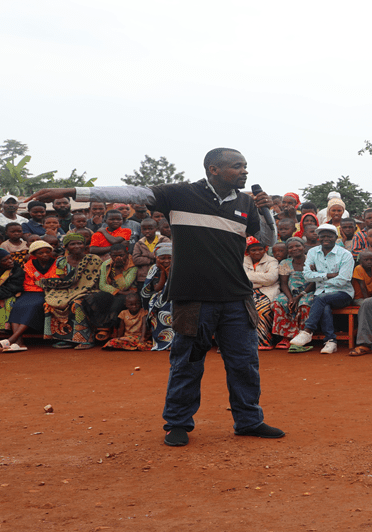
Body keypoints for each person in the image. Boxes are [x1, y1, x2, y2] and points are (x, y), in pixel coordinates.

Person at [29, 147, 284, 446]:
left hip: (236, 297)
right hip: (193, 296)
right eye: (237, 166)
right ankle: (177, 424)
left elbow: (268, 240)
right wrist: (73, 191)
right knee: (187, 362)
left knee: (244, 363)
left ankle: (249, 421)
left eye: (245, 166)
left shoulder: (245, 203)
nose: (244, 171)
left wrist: (268, 212)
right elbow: (132, 193)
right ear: (214, 169)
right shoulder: (181, 194)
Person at [288, 224, 355, 354]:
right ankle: (331, 341)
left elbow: (343, 280)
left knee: (322, 299)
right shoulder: (313, 252)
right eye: (322, 236)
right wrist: (328, 275)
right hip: (321, 293)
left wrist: (317, 276)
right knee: (324, 303)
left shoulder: (345, 255)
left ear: (336, 237)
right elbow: (307, 276)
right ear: (318, 237)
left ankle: (307, 331)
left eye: (329, 236)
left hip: (343, 293)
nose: (326, 238)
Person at [38, 233, 103, 349]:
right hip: (67, 290)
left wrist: (77, 289)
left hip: (89, 289)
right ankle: (64, 338)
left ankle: (85, 339)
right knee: (50, 304)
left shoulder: (94, 259)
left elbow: (95, 280)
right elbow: (62, 279)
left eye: (80, 243)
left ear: (84, 246)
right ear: (66, 247)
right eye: (72, 244)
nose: (77, 246)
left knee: (76, 304)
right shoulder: (61, 261)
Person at [2, 241, 59, 352]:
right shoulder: (29, 265)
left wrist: (42, 285)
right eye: (40, 253)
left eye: (47, 252)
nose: (45, 255)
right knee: (17, 306)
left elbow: (57, 280)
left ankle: (12, 340)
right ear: (34, 254)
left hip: (49, 292)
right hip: (31, 292)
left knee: (32, 307)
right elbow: (28, 282)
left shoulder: (57, 263)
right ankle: (19, 342)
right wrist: (43, 283)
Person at [81, 242, 138, 344]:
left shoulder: (132, 266)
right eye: (114, 256)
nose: (118, 258)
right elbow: (102, 285)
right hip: (113, 291)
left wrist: (117, 270)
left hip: (128, 293)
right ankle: (99, 327)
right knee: (92, 298)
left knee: (117, 303)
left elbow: (125, 286)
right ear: (110, 255)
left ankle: (107, 329)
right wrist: (117, 291)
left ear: (127, 253)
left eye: (121, 255)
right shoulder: (106, 264)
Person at [269, 237, 314, 350]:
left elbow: (314, 282)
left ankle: (302, 336)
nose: (294, 249)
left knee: (304, 305)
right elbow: (284, 284)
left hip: (308, 292)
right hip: (290, 292)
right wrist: (290, 298)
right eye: (290, 247)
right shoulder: (285, 263)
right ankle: (285, 337)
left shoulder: (312, 261)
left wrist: (299, 296)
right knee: (278, 303)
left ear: (304, 247)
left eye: (297, 246)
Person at [243, 238, 279, 350]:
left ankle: (264, 341)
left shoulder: (272, 261)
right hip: (247, 291)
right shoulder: (242, 261)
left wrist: (250, 278)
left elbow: (271, 278)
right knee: (241, 310)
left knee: (261, 310)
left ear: (265, 250)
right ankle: (245, 342)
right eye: (253, 250)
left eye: (260, 249)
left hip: (267, 291)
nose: (257, 252)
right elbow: (240, 278)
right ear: (248, 251)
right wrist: (261, 280)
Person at [140, 242, 174, 351]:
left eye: (169, 258)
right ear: (157, 258)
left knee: (170, 307)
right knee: (160, 307)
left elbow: (174, 286)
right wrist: (163, 272)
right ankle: (163, 341)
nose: (166, 261)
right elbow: (157, 288)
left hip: (176, 295)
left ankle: (173, 342)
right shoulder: (154, 269)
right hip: (160, 296)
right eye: (162, 258)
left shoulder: (179, 267)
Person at [133, 218, 170, 282]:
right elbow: (136, 260)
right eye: (144, 229)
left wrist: (147, 254)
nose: (147, 231)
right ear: (141, 230)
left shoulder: (164, 240)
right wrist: (151, 260)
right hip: (144, 277)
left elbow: (165, 257)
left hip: (162, 275)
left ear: (156, 229)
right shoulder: (139, 243)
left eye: (150, 229)